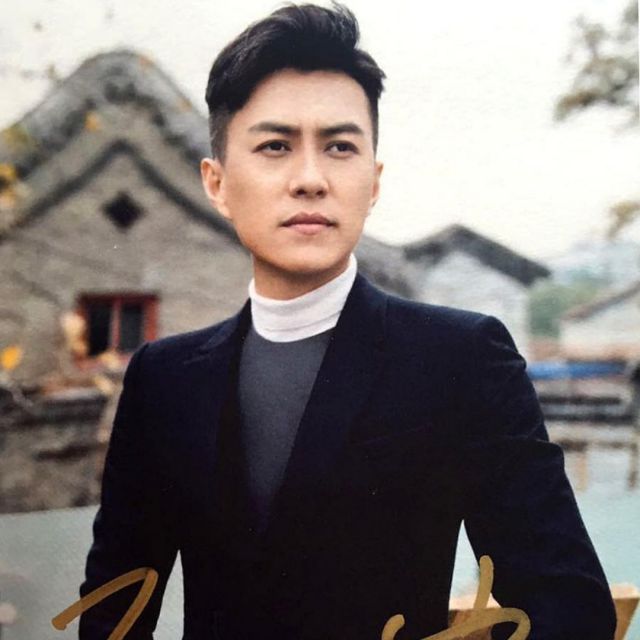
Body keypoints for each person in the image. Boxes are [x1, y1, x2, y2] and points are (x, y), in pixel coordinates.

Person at [79, 4, 617, 639]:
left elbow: (568, 607)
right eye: (275, 146)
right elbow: (111, 611)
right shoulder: (164, 380)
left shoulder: (458, 359)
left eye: (339, 147)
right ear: (217, 183)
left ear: (374, 180)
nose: (310, 179)